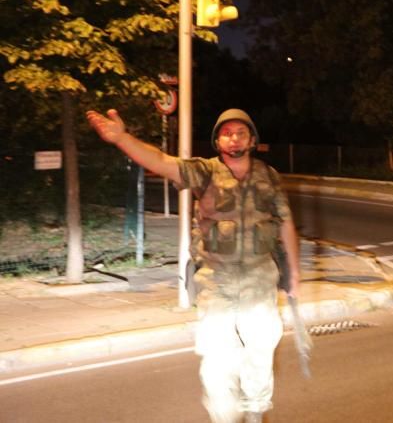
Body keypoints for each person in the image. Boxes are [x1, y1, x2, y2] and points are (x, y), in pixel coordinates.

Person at [87, 107, 299, 423]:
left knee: (260, 354)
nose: (234, 137)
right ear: (217, 140)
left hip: (260, 279)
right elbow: (160, 161)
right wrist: (122, 139)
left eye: (241, 132)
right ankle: (224, 418)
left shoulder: (269, 177)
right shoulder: (204, 172)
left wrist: (294, 273)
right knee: (216, 360)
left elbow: (285, 224)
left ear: (252, 139)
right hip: (217, 281)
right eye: (227, 132)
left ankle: (255, 413)